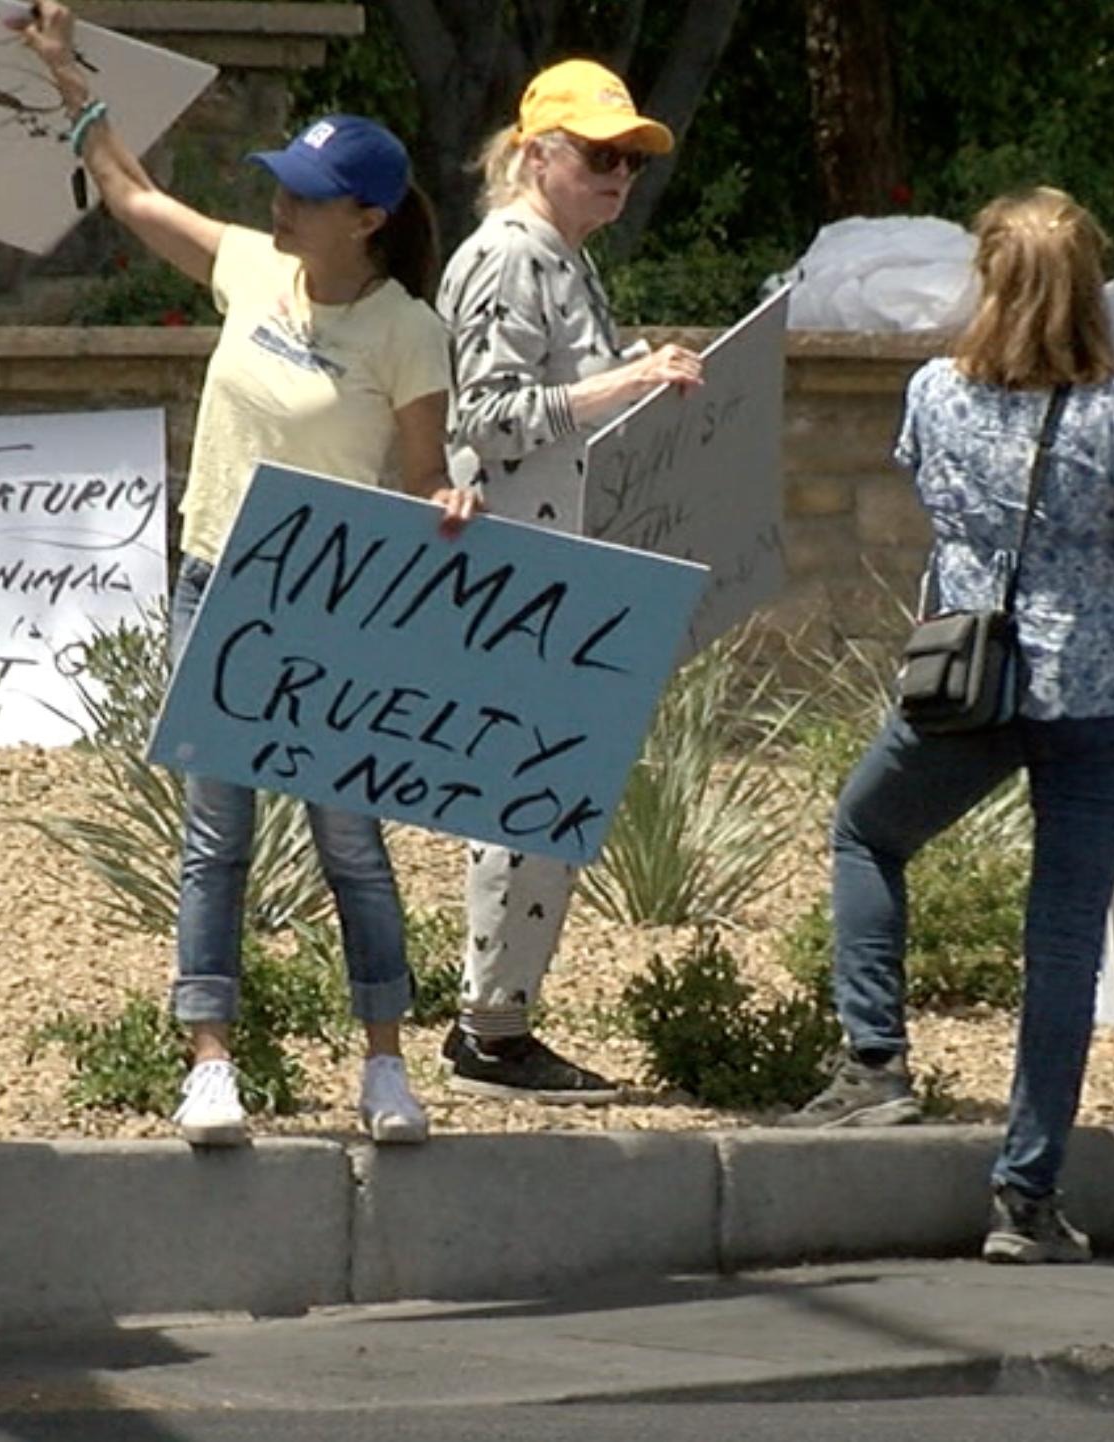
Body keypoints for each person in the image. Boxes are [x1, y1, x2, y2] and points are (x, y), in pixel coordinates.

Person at [17, 1, 454, 1148]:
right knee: (215, 838)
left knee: (350, 840)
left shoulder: (408, 330)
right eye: (282, 184)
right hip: (215, 583)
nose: (282, 202)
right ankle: (209, 1062)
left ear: (367, 219)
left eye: (307, 193)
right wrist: (67, 74)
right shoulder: (252, 267)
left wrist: (452, 501)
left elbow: (424, 475)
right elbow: (132, 195)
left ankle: (385, 1063)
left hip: (330, 603)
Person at [774, 191, 1114, 1268]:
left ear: (988, 282)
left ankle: (875, 1062)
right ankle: (1025, 1197)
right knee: (1061, 941)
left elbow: (938, 502)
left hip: (968, 682)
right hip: (1099, 697)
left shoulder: (935, 391)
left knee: (868, 831)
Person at [428, 60, 706, 1105]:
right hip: (511, 567)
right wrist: (628, 379)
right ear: (534, 153)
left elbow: (558, 396)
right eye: (598, 154)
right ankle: (490, 1033)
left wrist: (636, 374)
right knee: (523, 791)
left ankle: (497, 1021)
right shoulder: (509, 256)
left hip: (554, 566)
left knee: (544, 792)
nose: (618, 174)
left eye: (629, 159)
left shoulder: (562, 259)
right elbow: (486, 416)